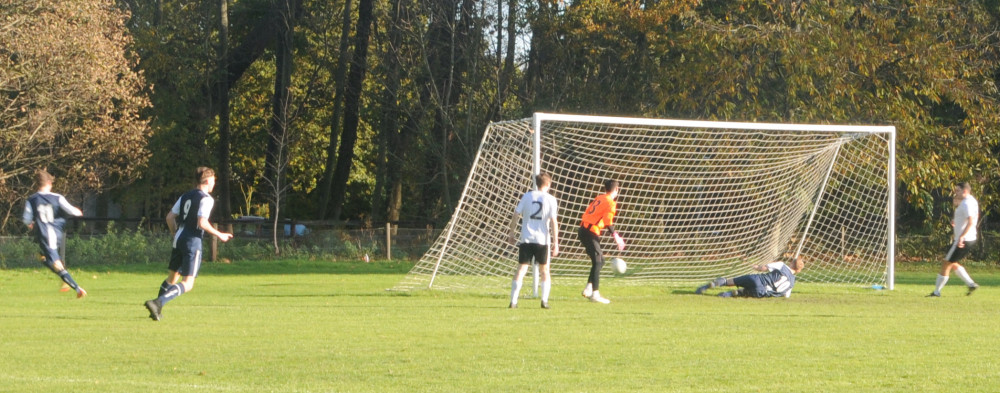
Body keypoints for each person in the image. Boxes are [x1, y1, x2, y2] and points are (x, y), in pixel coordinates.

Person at [144, 167, 233, 321]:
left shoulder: (186, 196)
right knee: (188, 283)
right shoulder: (206, 199)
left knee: (172, 278)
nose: (214, 183)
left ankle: (156, 309)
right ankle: (158, 302)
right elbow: (202, 222)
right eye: (213, 180)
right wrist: (220, 235)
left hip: (179, 238)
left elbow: (170, 217)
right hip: (193, 240)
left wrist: (175, 234)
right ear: (206, 181)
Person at [22, 169, 87, 298]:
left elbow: (26, 219)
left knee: (55, 264)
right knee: (43, 257)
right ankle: (65, 279)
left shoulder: (32, 199)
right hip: (55, 233)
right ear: (49, 183)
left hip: (45, 235)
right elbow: (71, 210)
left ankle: (76, 288)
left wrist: (30, 223)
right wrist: (78, 211)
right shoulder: (57, 197)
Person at [507, 173, 560, 309]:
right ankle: (544, 301)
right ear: (548, 184)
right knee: (545, 270)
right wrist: (556, 243)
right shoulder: (551, 199)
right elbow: (554, 221)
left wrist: (511, 232)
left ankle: (513, 301)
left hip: (526, 238)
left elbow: (516, 214)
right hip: (542, 240)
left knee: (521, 269)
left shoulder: (527, 196)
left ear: (537, 184)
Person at [928, 182, 980, 297]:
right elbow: (972, 218)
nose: (955, 193)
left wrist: (962, 236)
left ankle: (936, 292)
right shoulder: (971, 201)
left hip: (964, 239)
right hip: (969, 238)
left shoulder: (967, 203)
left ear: (965, 191)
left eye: (958, 190)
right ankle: (971, 284)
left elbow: (971, 221)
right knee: (953, 263)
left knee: (946, 263)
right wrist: (956, 220)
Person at [578, 179, 622, 304]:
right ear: (616, 190)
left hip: (583, 229)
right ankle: (595, 295)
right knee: (598, 260)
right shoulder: (610, 202)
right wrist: (616, 237)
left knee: (600, 261)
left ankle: (589, 287)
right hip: (589, 231)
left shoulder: (599, 197)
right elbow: (608, 221)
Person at [695, 257, 804, 298]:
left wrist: (753, 265)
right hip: (762, 293)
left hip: (757, 280)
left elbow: (762, 268)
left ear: (791, 263)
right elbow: (785, 296)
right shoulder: (792, 283)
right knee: (742, 293)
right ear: (799, 270)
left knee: (730, 281)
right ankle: (727, 294)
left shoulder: (782, 265)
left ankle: (709, 285)